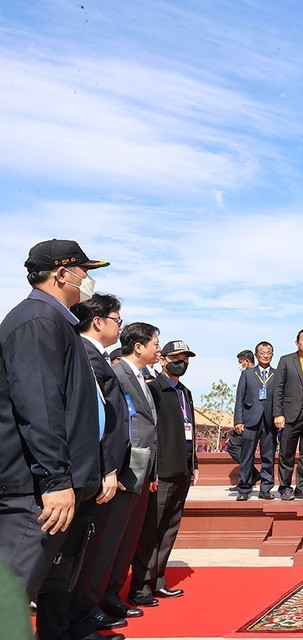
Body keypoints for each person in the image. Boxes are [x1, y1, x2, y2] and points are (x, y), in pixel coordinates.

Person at [0, 240, 107, 629]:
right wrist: (56, 479)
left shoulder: (53, 320)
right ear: (62, 273)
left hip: (48, 484)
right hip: (34, 491)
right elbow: (39, 407)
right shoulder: (38, 321)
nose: (87, 281)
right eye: (84, 271)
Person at [57, 295, 129, 640]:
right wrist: (107, 470)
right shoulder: (84, 356)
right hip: (89, 472)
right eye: (117, 318)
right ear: (98, 321)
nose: (120, 325)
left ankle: (80, 622)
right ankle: (73, 624)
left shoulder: (96, 356)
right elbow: (92, 420)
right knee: (75, 557)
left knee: (84, 554)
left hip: (98, 470)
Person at [130, 340, 199, 606]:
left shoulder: (185, 392)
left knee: (170, 528)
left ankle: (158, 580)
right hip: (163, 470)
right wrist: (153, 470)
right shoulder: (153, 389)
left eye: (186, 358)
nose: (182, 362)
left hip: (183, 469)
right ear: (162, 359)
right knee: (151, 530)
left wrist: (194, 464)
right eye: (177, 357)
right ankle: (140, 586)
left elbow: (188, 429)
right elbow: (149, 432)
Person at [102, 323, 160, 618]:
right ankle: (101, 598)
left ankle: (113, 593)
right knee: (112, 537)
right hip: (126, 469)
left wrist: (153, 469)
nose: (157, 349)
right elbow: (116, 425)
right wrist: (118, 469)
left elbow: (149, 425)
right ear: (138, 346)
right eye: (154, 343)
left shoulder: (141, 376)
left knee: (128, 537)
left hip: (142, 468)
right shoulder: (118, 373)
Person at [272, 329, 303, 500]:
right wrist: (278, 414)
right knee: (287, 453)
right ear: (297, 342)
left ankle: (302, 488)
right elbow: (278, 388)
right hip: (290, 413)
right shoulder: (286, 360)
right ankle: (285, 488)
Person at [233, 342, 277, 501]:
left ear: (272, 354)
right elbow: (240, 398)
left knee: (268, 456)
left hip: (269, 421)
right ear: (256, 355)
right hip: (250, 420)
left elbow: (279, 399)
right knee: (247, 456)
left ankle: (266, 488)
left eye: (269, 352)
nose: (266, 355)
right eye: (262, 352)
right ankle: (244, 489)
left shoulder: (277, 374)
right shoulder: (247, 374)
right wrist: (238, 420)